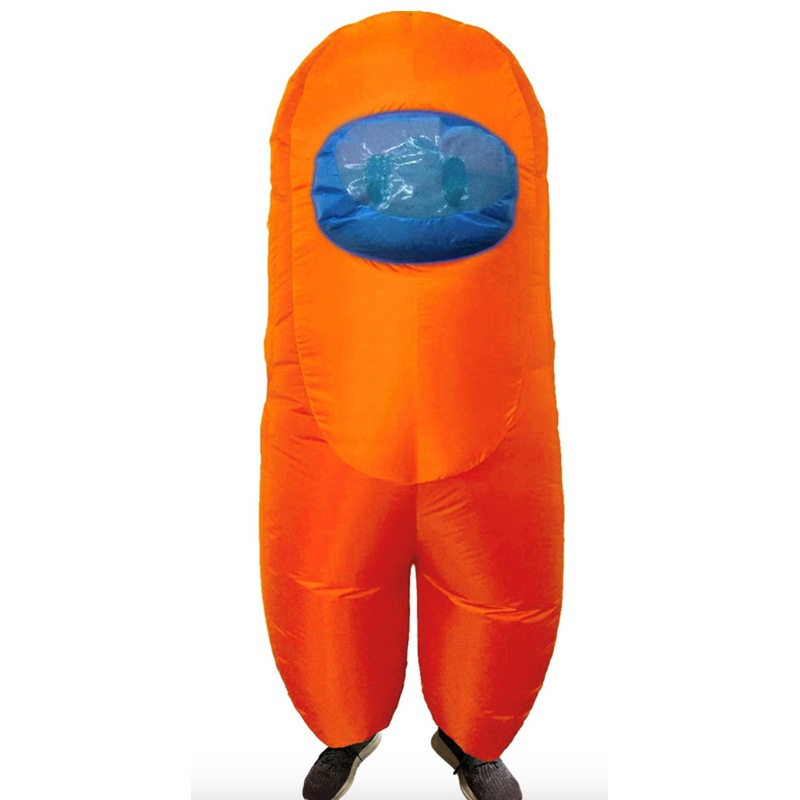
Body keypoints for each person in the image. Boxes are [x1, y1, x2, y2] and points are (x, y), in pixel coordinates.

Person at [259, 12, 564, 800]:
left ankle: (474, 736)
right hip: (344, 386)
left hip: (483, 387)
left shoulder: (481, 83)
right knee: (328, 569)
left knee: (498, 575)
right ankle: (345, 725)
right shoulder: (347, 84)